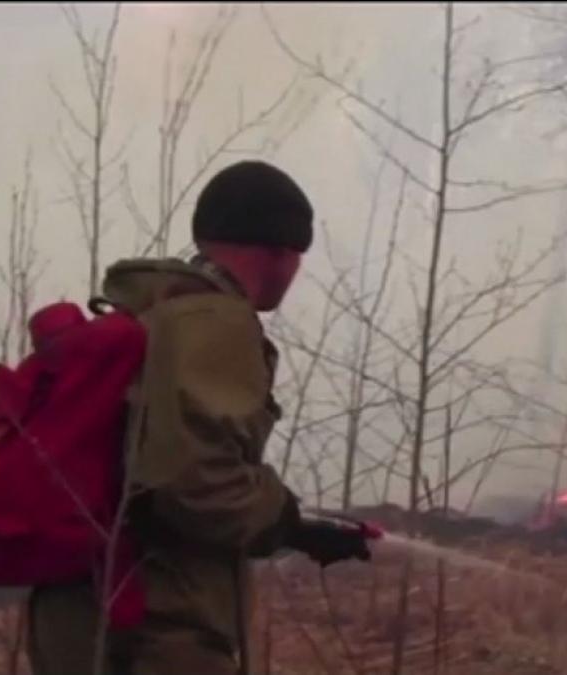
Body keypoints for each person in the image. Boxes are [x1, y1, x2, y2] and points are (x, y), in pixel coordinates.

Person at [28, 160, 371, 675]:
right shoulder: (214, 321)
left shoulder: (148, 311)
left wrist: (295, 527)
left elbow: (154, 463)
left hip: (78, 617)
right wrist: (281, 517)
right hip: (156, 630)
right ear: (281, 252)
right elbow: (195, 483)